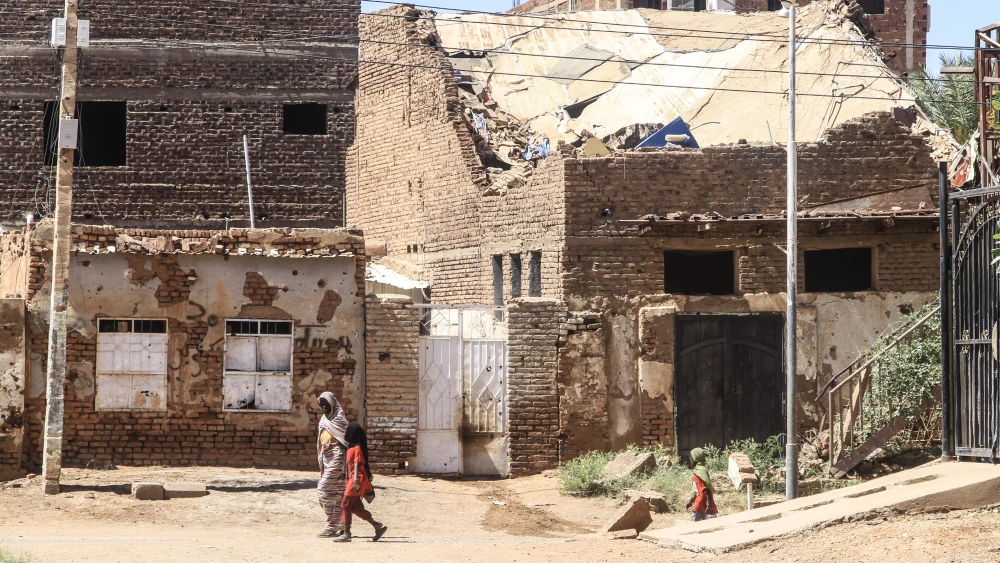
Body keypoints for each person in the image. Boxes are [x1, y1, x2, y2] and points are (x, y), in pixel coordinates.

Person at [335, 423, 388, 542]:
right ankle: (377, 526)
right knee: (355, 507)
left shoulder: (357, 448)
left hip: (357, 480)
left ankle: (347, 533)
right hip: (352, 480)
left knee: (345, 504)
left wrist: (355, 481)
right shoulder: (350, 448)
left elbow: (358, 465)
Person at [316, 391, 349, 538]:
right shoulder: (323, 420)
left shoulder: (339, 419)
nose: (323, 406)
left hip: (338, 456)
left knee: (322, 489)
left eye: (326, 403)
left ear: (333, 404)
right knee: (335, 494)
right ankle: (337, 525)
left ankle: (333, 524)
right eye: (321, 403)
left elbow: (344, 440)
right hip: (326, 457)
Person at [685, 448, 718, 522]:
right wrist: (691, 501)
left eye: (691, 458)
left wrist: (709, 505)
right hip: (699, 502)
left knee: (693, 525)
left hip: (701, 503)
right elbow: (695, 489)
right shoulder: (697, 471)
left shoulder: (701, 471)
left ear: (695, 459)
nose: (690, 460)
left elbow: (706, 488)